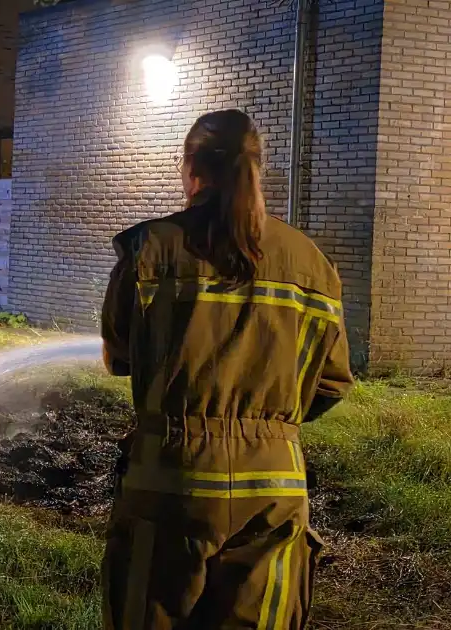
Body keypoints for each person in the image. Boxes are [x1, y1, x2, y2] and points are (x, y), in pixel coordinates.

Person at [99, 109, 354, 629]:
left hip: (170, 479)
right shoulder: (314, 264)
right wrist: (267, 423)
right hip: (275, 488)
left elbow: (118, 358)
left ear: (191, 168)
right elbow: (332, 382)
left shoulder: (149, 249)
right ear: (257, 167)